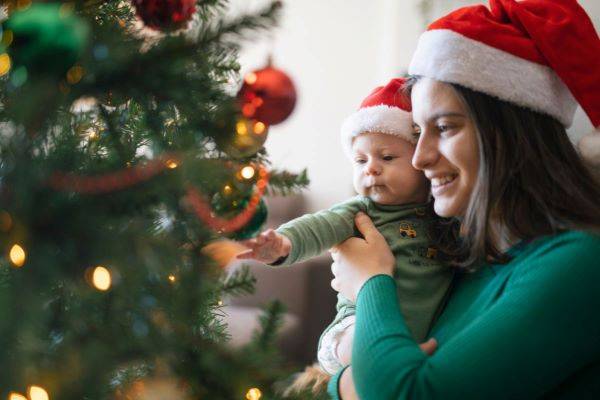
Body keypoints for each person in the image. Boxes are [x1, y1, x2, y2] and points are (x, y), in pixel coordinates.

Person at [327, 0, 600, 398]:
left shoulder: (579, 263)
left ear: (511, 132)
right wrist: (354, 377)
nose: (420, 158)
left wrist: (371, 281)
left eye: (445, 127)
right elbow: (364, 384)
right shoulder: (463, 256)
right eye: (419, 132)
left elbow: (406, 393)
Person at [237, 78, 454, 377]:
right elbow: (317, 226)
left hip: (426, 332)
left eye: (387, 157)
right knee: (354, 341)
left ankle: (391, 366)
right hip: (358, 322)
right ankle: (378, 362)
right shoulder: (360, 211)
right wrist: (282, 244)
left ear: (421, 160)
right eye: (360, 160)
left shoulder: (442, 215)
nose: (371, 168)